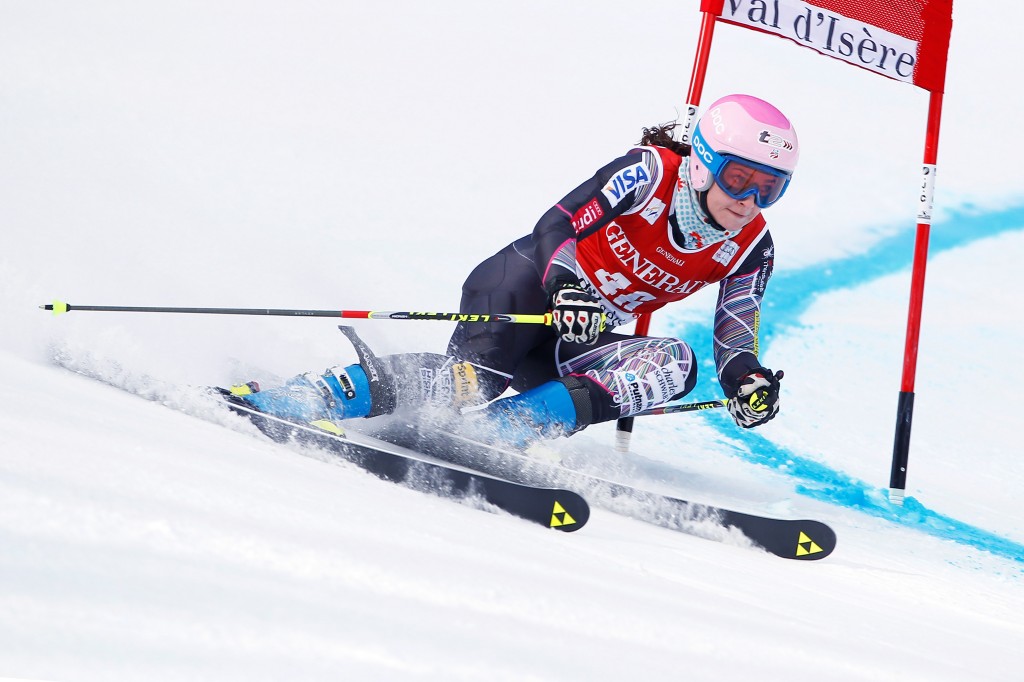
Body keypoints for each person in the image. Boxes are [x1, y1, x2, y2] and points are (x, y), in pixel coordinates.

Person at [237, 94, 797, 447]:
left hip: (579, 333)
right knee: (475, 380)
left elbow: (735, 337)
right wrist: (568, 285)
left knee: (674, 363)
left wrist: (745, 381)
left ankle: (506, 432)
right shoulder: (650, 174)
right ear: (703, 162)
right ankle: (311, 396)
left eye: (768, 189)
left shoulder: (752, 245)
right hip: (528, 286)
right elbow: (555, 225)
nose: (748, 200)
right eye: (738, 178)